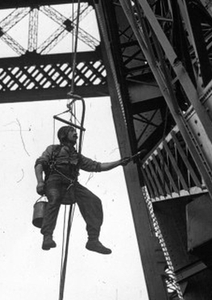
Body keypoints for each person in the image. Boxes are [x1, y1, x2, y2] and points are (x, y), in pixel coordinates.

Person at [34, 125, 130, 254]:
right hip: (54, 181)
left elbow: (97, 166)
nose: (75, 133)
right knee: (54, 198)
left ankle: (93, 240)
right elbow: (40, 163)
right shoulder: (53, 149)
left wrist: (118, 163)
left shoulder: (77, 156)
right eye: (72, 131)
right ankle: (47, 236)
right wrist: (40, 182)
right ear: (64, 135)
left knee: (94, 201)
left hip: (72, 184)